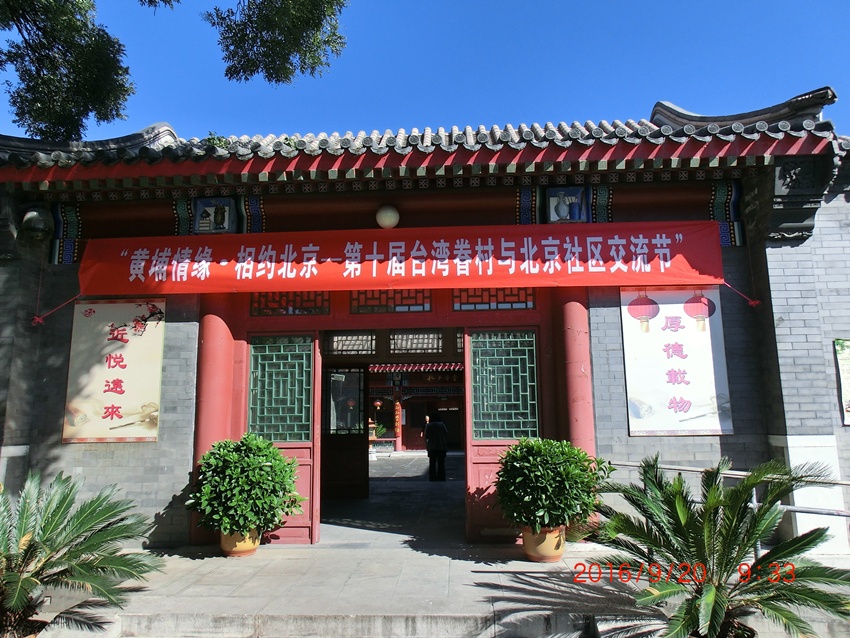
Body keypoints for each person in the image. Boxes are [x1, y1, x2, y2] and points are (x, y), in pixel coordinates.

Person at [424, 413, 448, 481]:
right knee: (441, 463)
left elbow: (426, 436)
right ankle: (441, 477)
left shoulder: (429, 425)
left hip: (432, 447)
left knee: (432, 463)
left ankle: (432, 477)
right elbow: (446, 433)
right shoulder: (441, 424)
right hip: (441, 446)